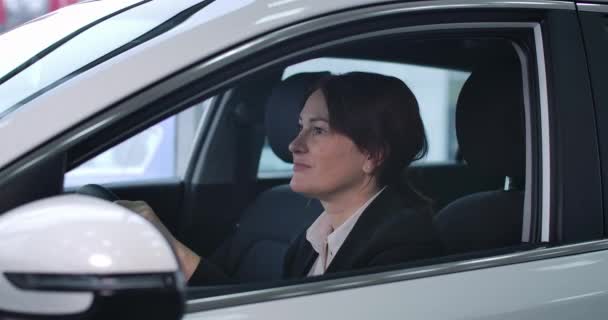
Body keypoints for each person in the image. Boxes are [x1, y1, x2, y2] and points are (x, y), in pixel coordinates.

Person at [117, 72, 443, 285]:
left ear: (372, 153)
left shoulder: (403, 252)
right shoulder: (313, 238)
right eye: (300, 126)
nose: (293, 145)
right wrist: (172, 251)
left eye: (317, 130)